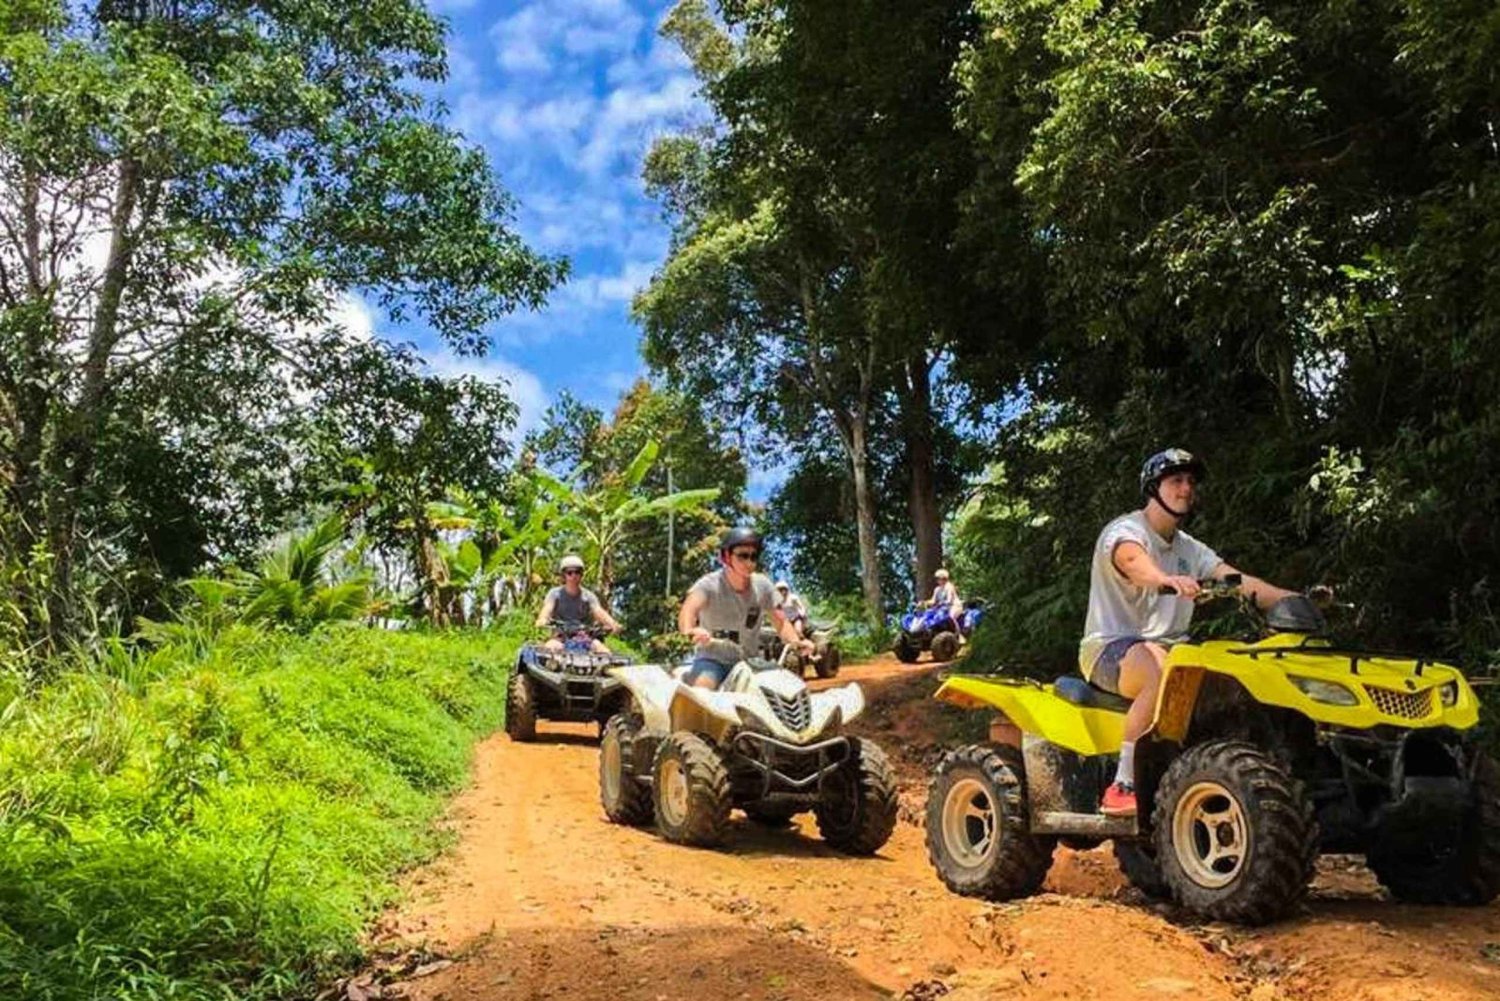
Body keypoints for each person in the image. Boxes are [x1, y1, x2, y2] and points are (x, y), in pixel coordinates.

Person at [1081, 448, 1297, 817]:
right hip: (1111, 647)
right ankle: (1123, 783)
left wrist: (1294, 601)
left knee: (1230, 676)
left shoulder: (1189, 548)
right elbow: (1133, 562)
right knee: (1162, 672)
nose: (1186, 489)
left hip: (1174, 650)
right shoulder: (1126, 531)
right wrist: (1164, 579)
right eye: (1176, 481)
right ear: (1154, 487)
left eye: (1190, 482)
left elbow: (1237, 580)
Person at [679, 528, 814, 689]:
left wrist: (797, 643)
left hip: (749, 663)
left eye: (754, 556)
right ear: (726, 557)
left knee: (783, 689)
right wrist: (691, 631)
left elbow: (781, 622)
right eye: (743, 556)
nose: (749, 562)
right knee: (702, 692)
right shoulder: (708, 585)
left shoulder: (763, 586)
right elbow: (688, 611)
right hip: (712, 660)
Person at [536, 555, 620, 654]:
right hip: (560, 637)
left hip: (585, 637)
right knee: (549, 648)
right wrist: (542, 619)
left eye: (577, 572)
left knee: (604, 651)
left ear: (581, 575)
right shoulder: (555, 594)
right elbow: (547, 608)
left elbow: (598, 611)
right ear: (564, 575)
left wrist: (612, 624)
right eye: (569, 572)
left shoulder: (588, 596)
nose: (573, 576)